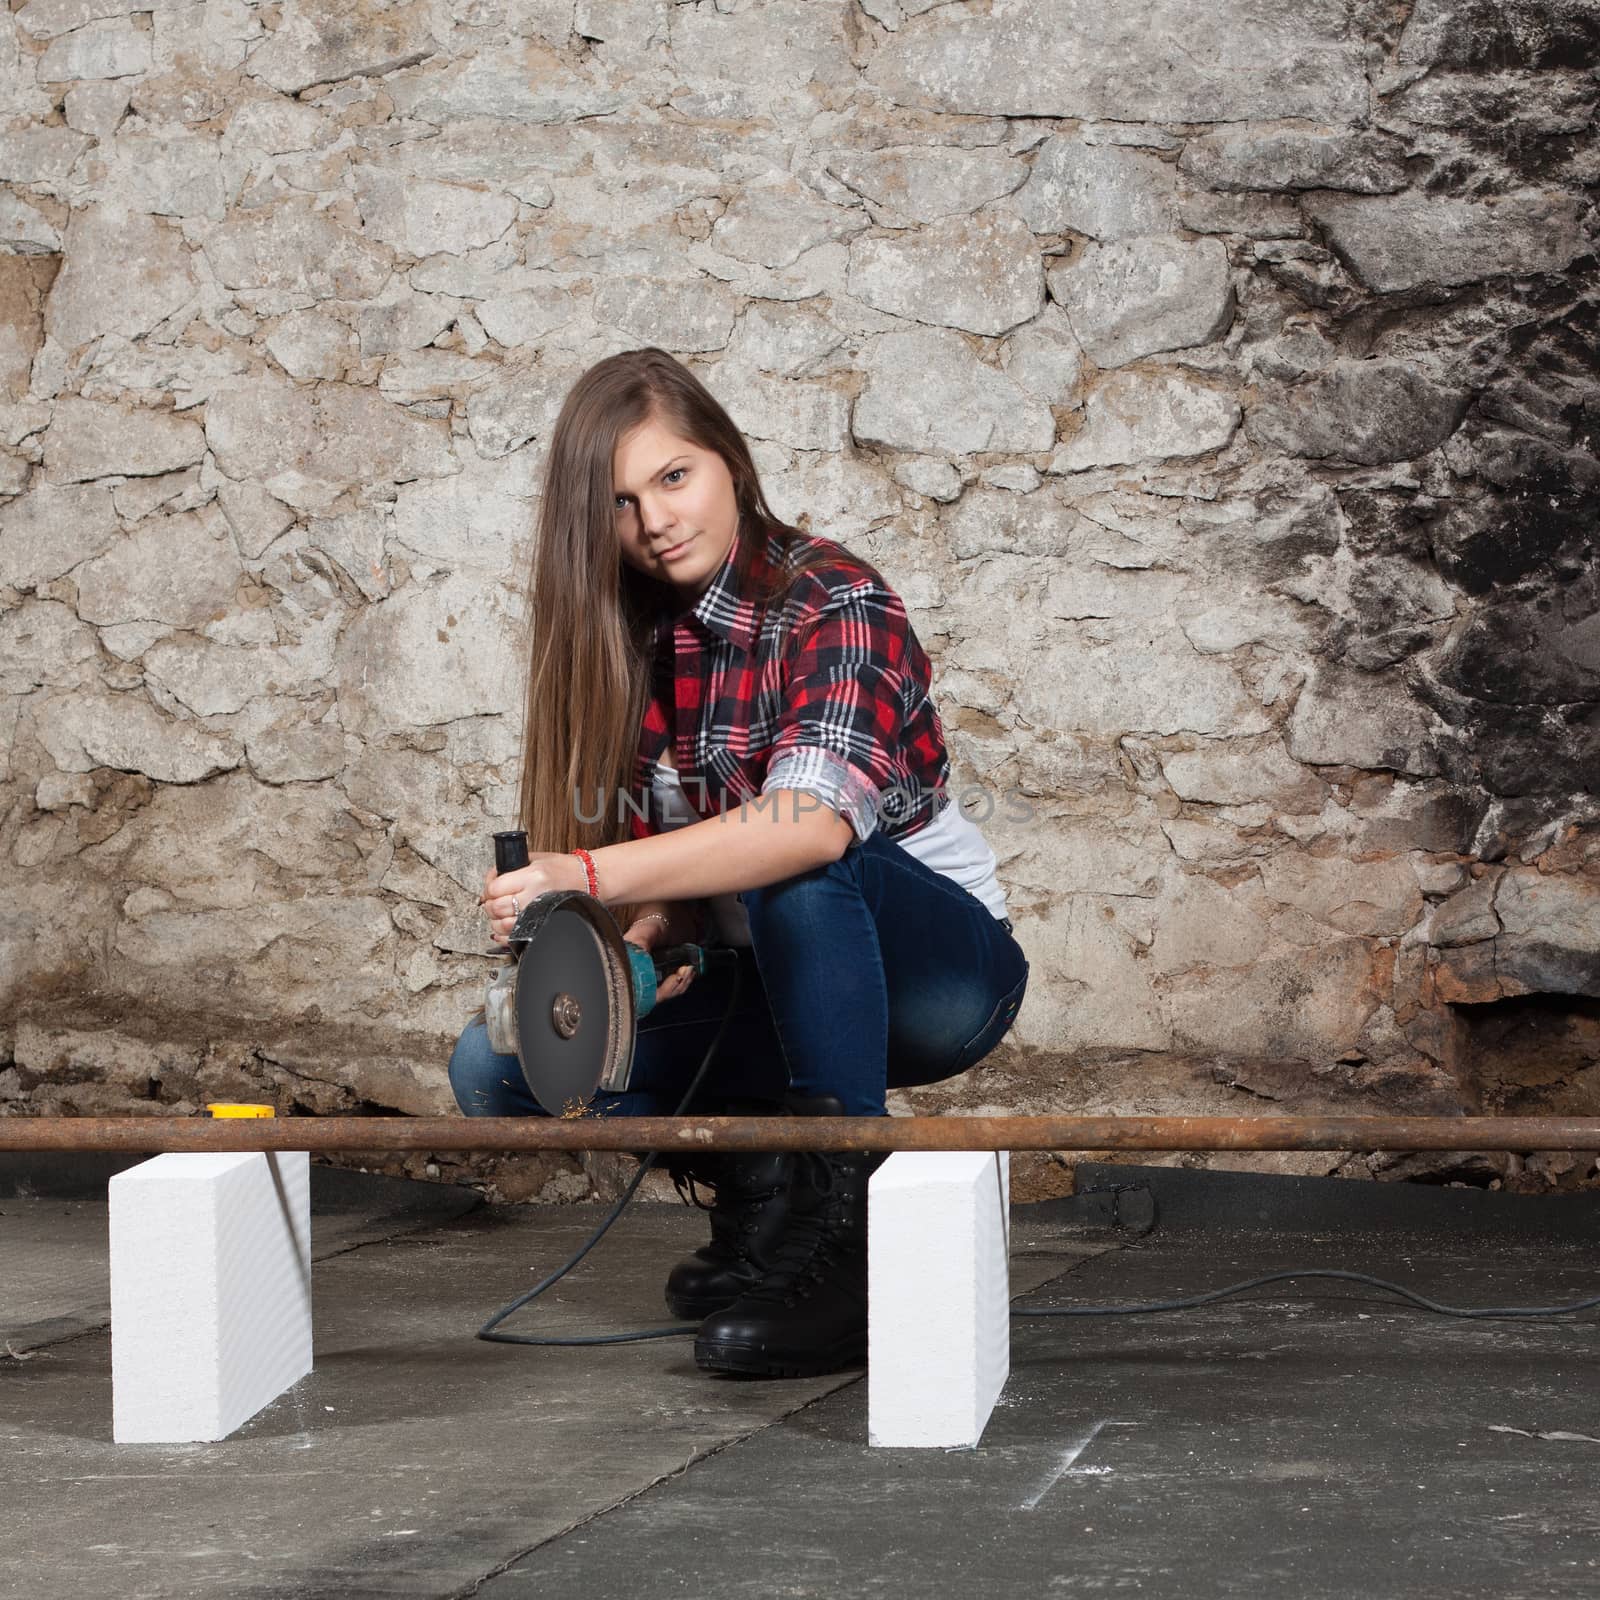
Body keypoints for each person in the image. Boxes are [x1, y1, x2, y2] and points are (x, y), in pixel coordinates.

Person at [447, 346, 1030, 1378]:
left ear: (729, 460)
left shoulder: (835, 600)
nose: (656, 519)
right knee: (499, 1069)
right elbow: (677, 880)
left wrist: (582, 873)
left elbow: (805, 828)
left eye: (675, 477)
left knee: (794, 859)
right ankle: (764, 1194)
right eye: (621, 502)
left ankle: (841, 1239)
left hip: (937, 977)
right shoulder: (623, 640)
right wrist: (626, 948)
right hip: (770, 979)